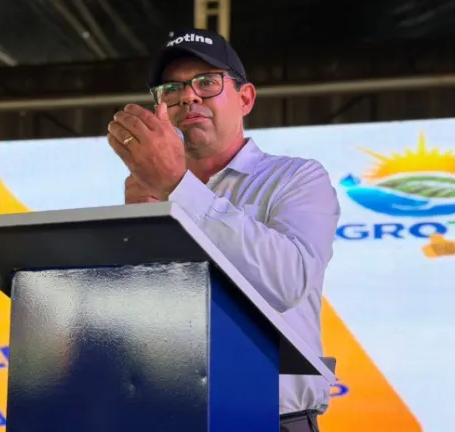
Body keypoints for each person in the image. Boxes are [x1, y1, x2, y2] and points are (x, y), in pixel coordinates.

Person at [106, 28, 340, 432]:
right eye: (171, 89)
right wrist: (137, 246)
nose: (188, 97)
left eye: (206, 82)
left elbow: (287, 282)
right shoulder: (146, 191)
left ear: (245, 98)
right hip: (172, 418)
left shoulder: (295, 178)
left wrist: (178, 186)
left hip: (273, 420)